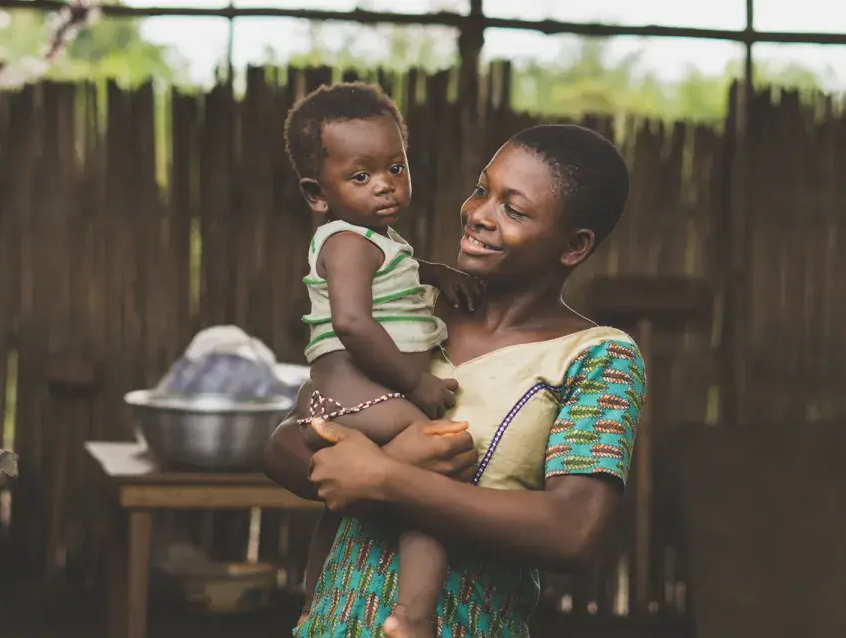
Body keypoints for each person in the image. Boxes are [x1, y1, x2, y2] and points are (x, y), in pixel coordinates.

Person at [265, 122, 646, 637]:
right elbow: (287, 441)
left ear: (574, 246)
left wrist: (387, 477)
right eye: (481, 190)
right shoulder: (401, 312)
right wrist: (372, 463)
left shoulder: (596, 358)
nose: (479, 215)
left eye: (513, 209)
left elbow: (573, 532)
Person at [284, 82, 485, 636]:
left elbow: (394, 276)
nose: (385, 186)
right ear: (316, 193)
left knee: (344, 508)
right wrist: (414, 386)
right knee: (435, 489)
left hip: (345, 401)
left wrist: (433, 272)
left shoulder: (375, 240)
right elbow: (352, 322)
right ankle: (415, 618)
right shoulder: (346, 243)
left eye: (395, 168)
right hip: (365, 398)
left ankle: (312, 604)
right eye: (361, 176)